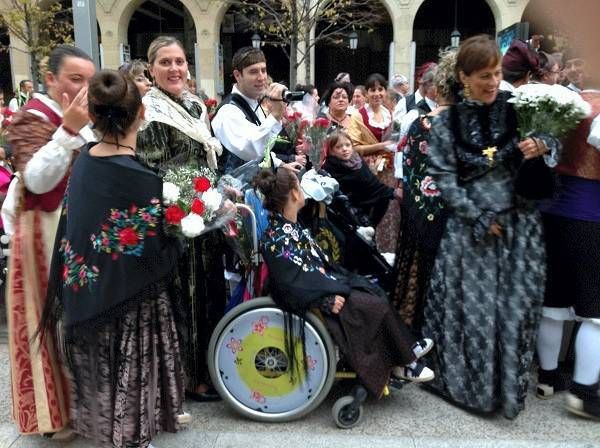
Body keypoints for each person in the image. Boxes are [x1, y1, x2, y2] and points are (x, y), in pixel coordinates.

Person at [43, 69, 185, 448]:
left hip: (87, 294)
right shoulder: (143, 179)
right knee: (130, 378)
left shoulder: (85, 161)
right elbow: (157, 251)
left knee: (100, 383)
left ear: (91, 114)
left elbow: (76, 230)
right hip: (131, 304)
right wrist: (185, 232)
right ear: (141, 114)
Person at [421, 35, 561, 419]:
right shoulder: (448, 122)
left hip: (520, 228)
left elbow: (552, 143)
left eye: (497, 73)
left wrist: (543, 145)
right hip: (473, 231)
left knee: (515, 312)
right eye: (484, 75)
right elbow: (445, 178)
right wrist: (480, 217)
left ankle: (507, 392)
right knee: (475, 315)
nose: (493, 82)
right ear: (464, 77)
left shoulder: (520, 108)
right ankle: (476, 393)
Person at [254, 167, 435, 397]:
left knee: (372, 288)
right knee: (371, 304)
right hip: (311, 297)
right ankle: (404, 360)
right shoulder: (277, 236)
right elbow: (289, 282)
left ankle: (404, 354)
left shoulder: (287, 225)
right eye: (298, 186)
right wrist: (325, 299)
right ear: (294, 195)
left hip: (319, 284)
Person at [5, 44, 95, 438]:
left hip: (76, 229)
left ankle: (83, 404)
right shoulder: (30, 118)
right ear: (51, 79)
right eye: (75, 79)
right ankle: (51, 415)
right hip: (41, 232)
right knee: (47, 322)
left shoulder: (79, 116)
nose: (83, 88)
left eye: (89, 81)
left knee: (77, 322)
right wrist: (69, 130)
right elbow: (38, 180)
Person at [136, 36, 225, 402]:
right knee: (184, 296)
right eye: (166, 63)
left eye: (180, 61)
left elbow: (204, 160)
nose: (175, 69)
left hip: (205, 213)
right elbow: (151, 169)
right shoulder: (149, 110)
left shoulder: (193, 105)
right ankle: (188, 378)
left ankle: (209, 367)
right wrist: (192, 198)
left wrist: (217, 195)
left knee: (209, 291)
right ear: (152, 69)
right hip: (175, 218)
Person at [535, 88, 600, 419]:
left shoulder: (565, 101)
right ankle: (584, 393)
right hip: (591, 217)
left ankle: (547, 378)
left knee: (554, 303)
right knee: (596, 313)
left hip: (553, 212)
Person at [392, 50, 456, 333]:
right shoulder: (466, 126)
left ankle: (415, 338)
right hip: (452, 222)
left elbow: (407, 172)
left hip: (421, 219)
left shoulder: (418, 123)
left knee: (416, 283)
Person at [212, 47, 302, 173]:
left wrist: (279, 164)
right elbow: (252, 151)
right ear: (238, 75)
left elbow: (266, 145)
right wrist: (274, 116)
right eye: (253, 72)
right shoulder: (228, 112)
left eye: (263, 71)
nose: (261, 77)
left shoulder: (253, 103)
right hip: (234, 188)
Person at [348, 73, 399, 253]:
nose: (377, 93)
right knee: (372, 209)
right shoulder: (358, 116)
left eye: (380, 89)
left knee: (390, 211)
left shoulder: (391, 114)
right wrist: (381, 146)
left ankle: (389, 249)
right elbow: (354, 147)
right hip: (369, 171)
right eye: (372, 90)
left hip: (389, 170)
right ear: (366, 93)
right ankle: (369, 250)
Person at [322, 129, 400, 227]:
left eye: (347, 145)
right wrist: (390, 192)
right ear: (331, 151)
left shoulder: (356, 159)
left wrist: (391, 192)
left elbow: (372, 183)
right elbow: (358, 190)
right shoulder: (331, 168)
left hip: (373, 207)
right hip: (353, 215)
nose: (345, 149)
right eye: (338, 147)